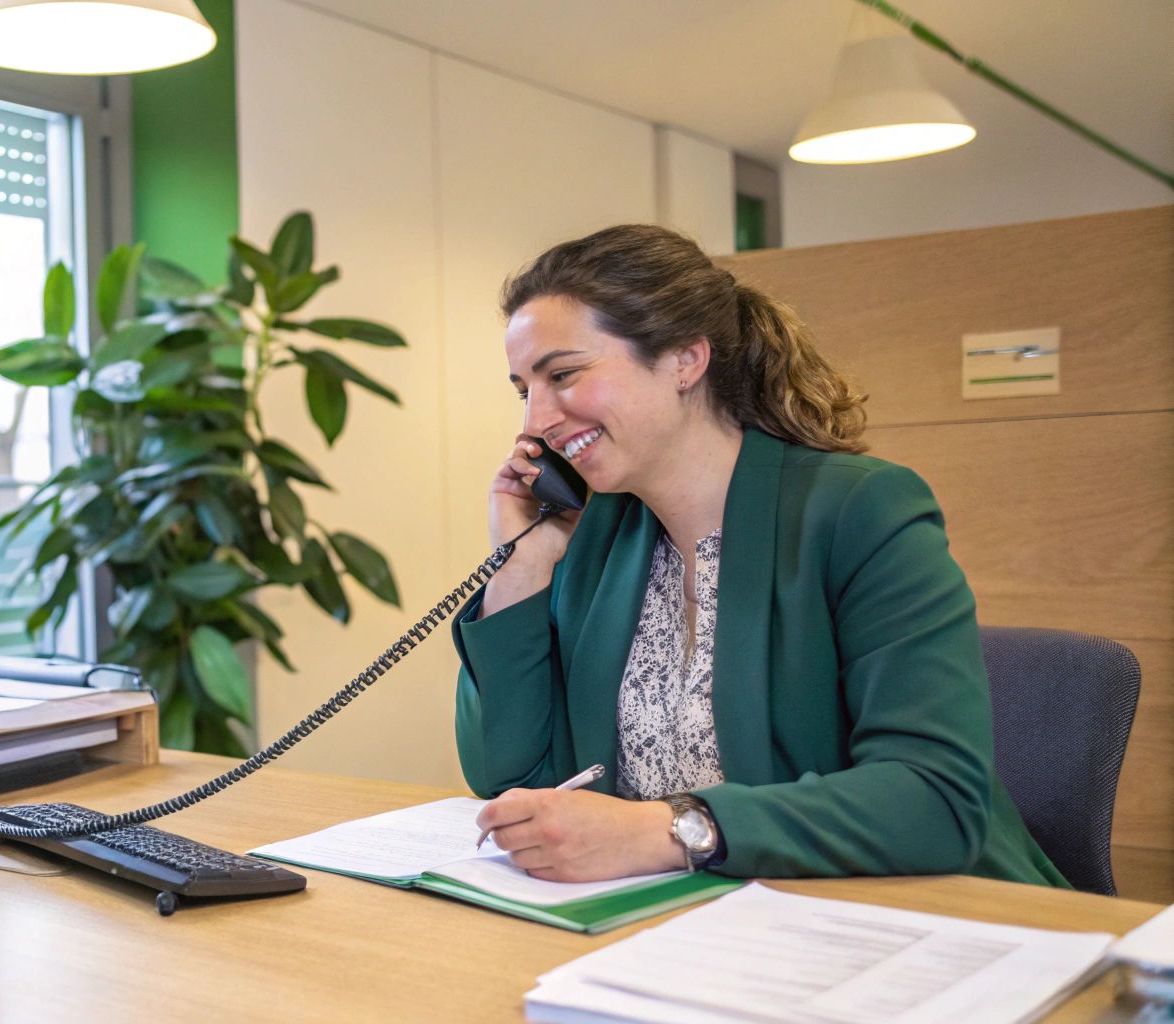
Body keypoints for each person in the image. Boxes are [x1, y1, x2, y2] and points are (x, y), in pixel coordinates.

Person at [454, 224, 1066, 887]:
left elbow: (935, 800)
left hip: (919, 915)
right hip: (700, 927)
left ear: (686, 359)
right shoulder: (598, 536)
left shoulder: (861, 510)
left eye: (564, 375)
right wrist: (522, 564)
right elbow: (510, 779)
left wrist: (669, 829)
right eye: (524, 390)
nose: (534, 422)